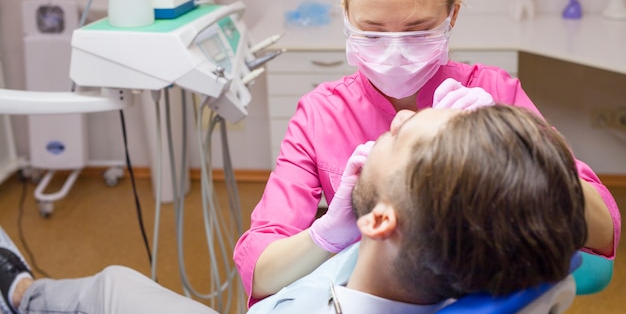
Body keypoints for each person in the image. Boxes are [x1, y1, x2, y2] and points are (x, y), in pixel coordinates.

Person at [233, 0, 620, 307]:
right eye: (372, 32)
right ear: (347, 16)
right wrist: (325, 235)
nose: (395, 51)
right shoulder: (323, 113)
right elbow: (260, 269)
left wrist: (517, 142)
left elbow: (603, 233)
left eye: (418, 31)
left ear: (452, 16)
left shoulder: (492, 93)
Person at [0, 105, 591, 313]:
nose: (402, 116)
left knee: (111, 288)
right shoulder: (447, 252)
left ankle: (22, 294)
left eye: (406, 137)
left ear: (382, 221)